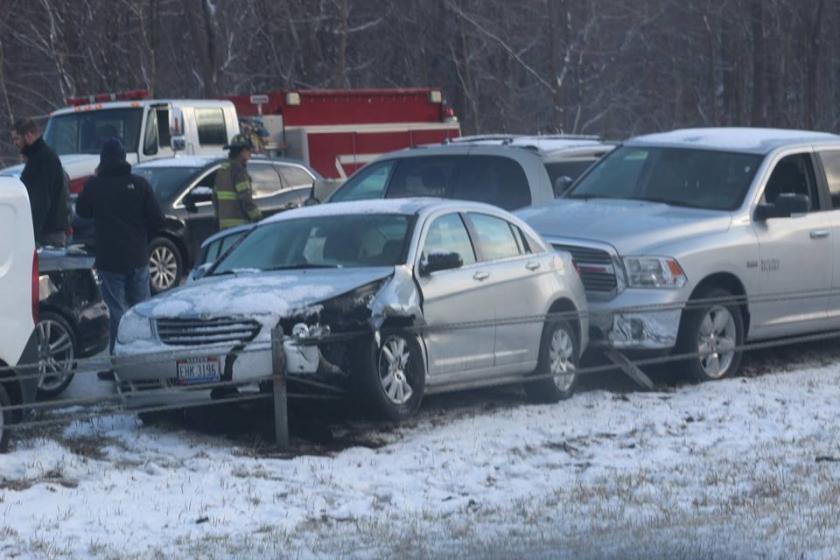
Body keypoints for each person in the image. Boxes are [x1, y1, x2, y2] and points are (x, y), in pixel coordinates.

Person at [76, 138, 164, 371]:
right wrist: (142, 236)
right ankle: (146, 361)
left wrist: (93, 181)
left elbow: (82, 211)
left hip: (110, 259)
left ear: (102, 160)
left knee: (118, 313)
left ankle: (119, 364)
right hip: (138, 256)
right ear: (124, 158)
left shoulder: (96, 185)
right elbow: (158, 220)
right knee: (141, 309)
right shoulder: (140, 184)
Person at [11, 118, 70, 246]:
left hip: (47, 233)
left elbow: (40, 200)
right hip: (47, 230)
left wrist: (31, 232)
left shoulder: (42, 160)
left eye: (17, 138)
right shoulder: (40, 158)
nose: (14, 143)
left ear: (28, 136)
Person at [213, 133, 262, 230]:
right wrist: (258, 218)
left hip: (224, 226)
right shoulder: (238, 170)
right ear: (242, 151)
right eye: (248, 149)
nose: (250, 153)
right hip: (240, 225)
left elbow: (215, 197)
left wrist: (218, 218)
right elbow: (245, 198)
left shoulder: (222, 170)